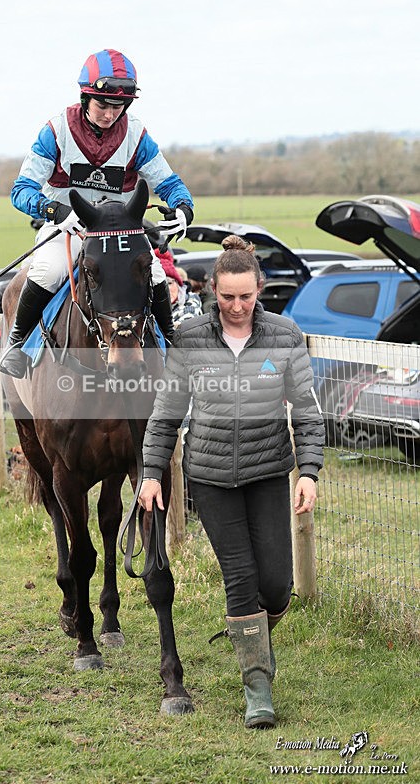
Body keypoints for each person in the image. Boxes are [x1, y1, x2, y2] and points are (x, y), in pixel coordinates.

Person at [139, 235, 325, 729]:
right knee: (240, 579)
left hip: (268, 472)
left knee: (277, 587)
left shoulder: (284, 335)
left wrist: (308, 471)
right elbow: (165, 414)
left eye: (246, 297)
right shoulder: (191, 339)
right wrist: (151, 473)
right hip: (211, 476)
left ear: (259, 289)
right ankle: (257, 685)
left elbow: (306, 411)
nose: (237, 307)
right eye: (227, 298)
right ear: (212, 292)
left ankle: (254, 641)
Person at [0, 48, 194, 378]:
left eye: (117, 106)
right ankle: (16, 345)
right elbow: (21, 191)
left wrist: (184, 208)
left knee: (157, 274)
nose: (109, 114)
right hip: (69, 227)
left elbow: (170, 182)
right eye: (102, 104)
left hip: (121, 232)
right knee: (48, 270)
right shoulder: (56, 130)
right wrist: (55, 210)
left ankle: (171, 348)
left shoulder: (136, 135)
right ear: (85, 97)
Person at [155, 249, 203, 328]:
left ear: (178, 284)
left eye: (169, 283)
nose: (165, 289)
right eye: (157, 285)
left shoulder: (190, 306)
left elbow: (186, 328)